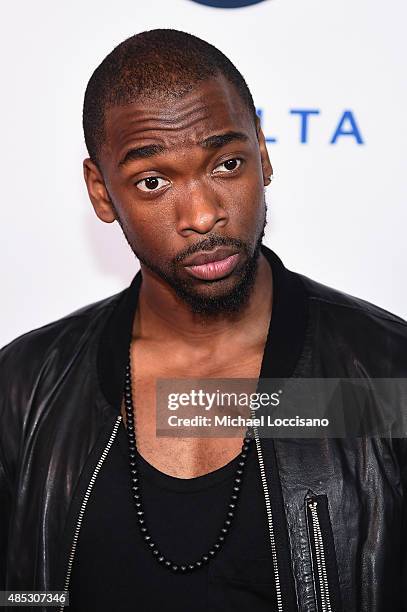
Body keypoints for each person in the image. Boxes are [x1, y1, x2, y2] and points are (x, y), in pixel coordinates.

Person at [0, 28, 406, 612]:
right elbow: (23, 593)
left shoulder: (386, 374)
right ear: (102, 193)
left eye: (226, 164)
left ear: (263, 155)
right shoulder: (28, 384)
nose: (203, 214)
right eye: (153, 181)